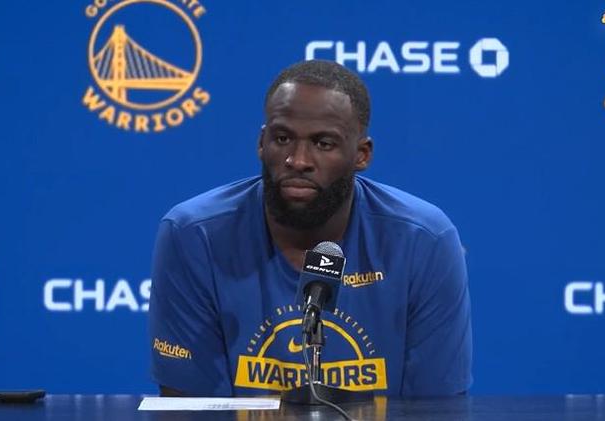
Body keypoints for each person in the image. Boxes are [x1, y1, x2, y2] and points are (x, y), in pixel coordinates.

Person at [149, 60, 472, 397]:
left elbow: (436, 409)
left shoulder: (423, 240)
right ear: (261, 143)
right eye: (282, 138)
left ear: (361, 155)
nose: (298, 160)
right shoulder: (195, 235)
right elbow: (189, 406)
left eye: (323, 143)